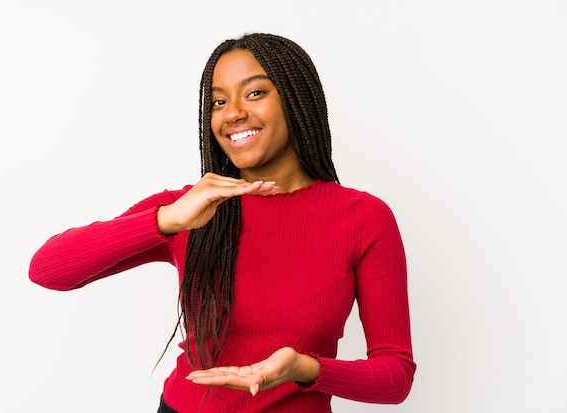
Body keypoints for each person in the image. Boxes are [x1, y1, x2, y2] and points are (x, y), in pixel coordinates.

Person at [29, 32, 416, 413]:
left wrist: (303, 368)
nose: (232, 113)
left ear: (298, 101)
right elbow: (48, 270)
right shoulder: (191, 208)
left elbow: (395, 377)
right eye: (218, 101)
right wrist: (167, 219)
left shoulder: (364, 218)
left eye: (255, 93)